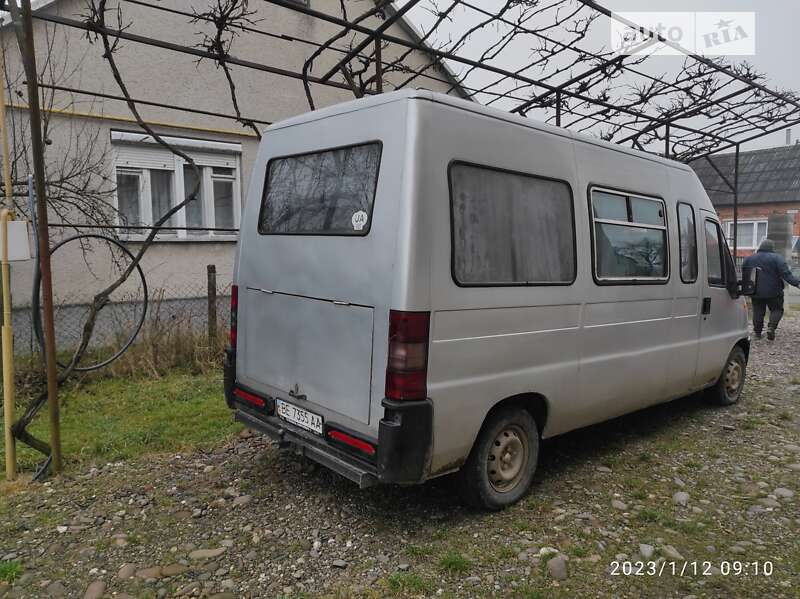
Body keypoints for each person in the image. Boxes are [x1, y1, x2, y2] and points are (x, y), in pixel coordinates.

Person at [742, 239, 800, 340]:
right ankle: (771, 327)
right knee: (777, 309)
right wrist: (797, 283)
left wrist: (745, 287)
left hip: (755, 290)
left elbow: (744, 272)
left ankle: (757, 333)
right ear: (772, 248)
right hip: (774, 291)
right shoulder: (777, 258)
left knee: (758, 311)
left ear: (760, 247)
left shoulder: (749, 258)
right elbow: (786, 274)